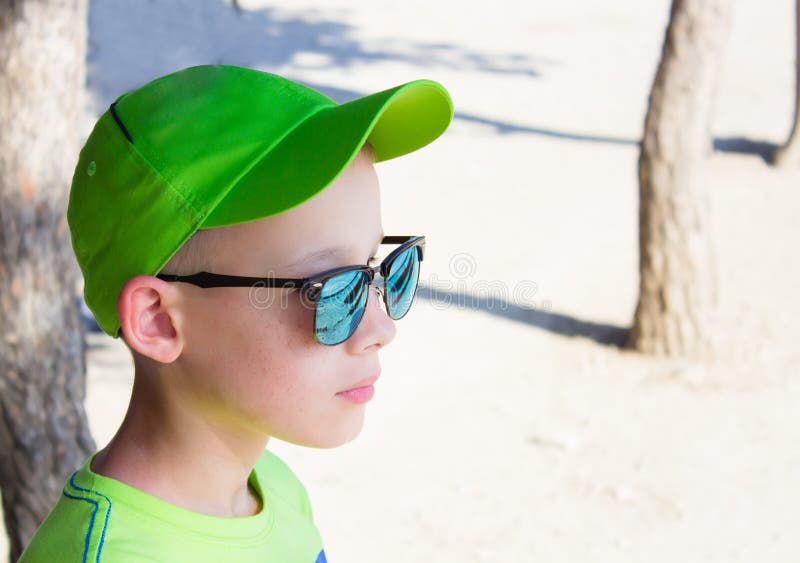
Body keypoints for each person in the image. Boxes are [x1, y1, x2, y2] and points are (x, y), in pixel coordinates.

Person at [19, 64, 453, 562]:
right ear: (158, 319)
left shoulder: (273, 487)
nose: (382, 328)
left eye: (378, 267)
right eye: (329, 288)